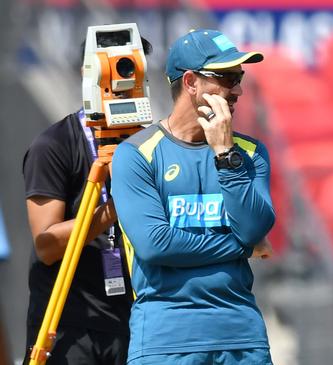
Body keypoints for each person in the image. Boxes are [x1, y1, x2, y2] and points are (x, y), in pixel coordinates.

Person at [111, 29, 276, 365]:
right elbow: (155, 244)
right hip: (165, 342)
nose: (238, 89)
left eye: (239, 77)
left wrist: (225, 154)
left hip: (243, 340)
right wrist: (238, 246)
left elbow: (255, 227)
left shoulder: (248, 152)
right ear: (191, 82)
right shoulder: (136, 154)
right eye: (227, 78)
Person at [22, 34, 152, 364]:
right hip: (70, 324)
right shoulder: (54, 146)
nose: (125, 81)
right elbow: (46, 246)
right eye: (117, 70)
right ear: (89, 73)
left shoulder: (151, 145)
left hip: (136, 321)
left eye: (134, 71)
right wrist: (111, 212)